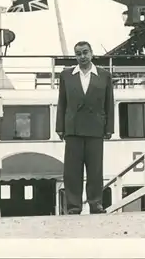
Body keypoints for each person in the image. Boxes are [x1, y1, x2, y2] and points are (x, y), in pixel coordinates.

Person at [55, 41, 114, 214]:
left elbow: (109, 102)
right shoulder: (66, 75)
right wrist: (60, 127)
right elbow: (62, 102)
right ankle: (74, 206)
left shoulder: (104, 75)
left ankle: (95, 204)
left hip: (96, 128)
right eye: (78, 54)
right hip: (72, 128)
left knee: (95, 169)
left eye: (85, 52)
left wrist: (109, 128)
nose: (82, 56)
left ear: (92, 53)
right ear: (75, 56)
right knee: (72, 170)